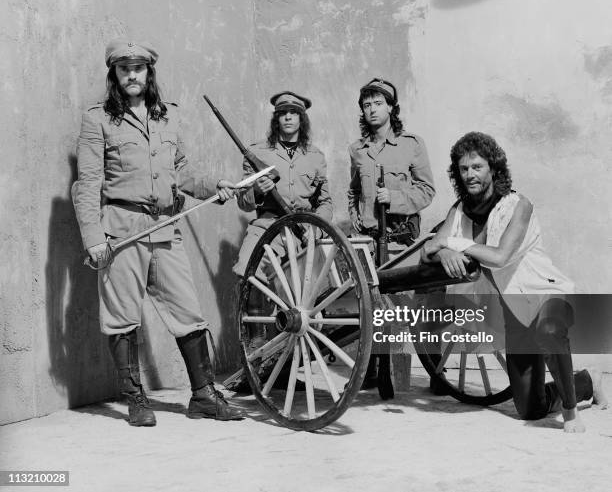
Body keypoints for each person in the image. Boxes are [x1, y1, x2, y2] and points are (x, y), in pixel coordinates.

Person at [72, 39, 245, 426]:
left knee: (188, 311)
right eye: (124, 68)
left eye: (139, 67)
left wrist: (213, 185)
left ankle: (202, 396)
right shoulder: (98, 119)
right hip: (121, 233)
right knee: (122, 317)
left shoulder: (168, 117)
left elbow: (181, 170)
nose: (132, 74)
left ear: (149, 73)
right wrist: (95, 239)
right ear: (114, 75)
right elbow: (87, 184)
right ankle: (136, 400)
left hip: (165, 228)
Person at [423, 131, 608, 432]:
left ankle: (572, 412)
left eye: (477, 166)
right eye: (464, 168)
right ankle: (587, 381)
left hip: (546, 294)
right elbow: (429, 248)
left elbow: (499, 257)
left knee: (549, 331)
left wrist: (454, 243)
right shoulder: (459, 211)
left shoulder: (519, 205)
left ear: (493, 168)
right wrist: (444, 250)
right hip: (513, 310)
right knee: (529, 410)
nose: (470, 174)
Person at [347, 78, 436, 389]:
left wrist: (395, 199)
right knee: (370, 305)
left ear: (391, 108)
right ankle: (373, 370)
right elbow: (353, 190)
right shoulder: (357, 149)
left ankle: (422, 372)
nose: (372, 110)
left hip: (402, 239)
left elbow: (427, 191)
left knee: (406, 308)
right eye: (367, 105)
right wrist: (356, 219)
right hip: (370, 241)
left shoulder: (412, 144)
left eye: (378, 103)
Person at [233, 91, 333, 277]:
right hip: (268, 226)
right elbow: (242, 201)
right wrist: (256, 191)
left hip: (304, 230)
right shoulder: (257, 152)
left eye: (293, 113)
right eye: (282, 113)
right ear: (276, 118)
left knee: (313, 289)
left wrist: (317, 230)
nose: (288, 117)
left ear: (301, 119)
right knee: (245, 269)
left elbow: (325, 202)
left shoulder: (316, 157)